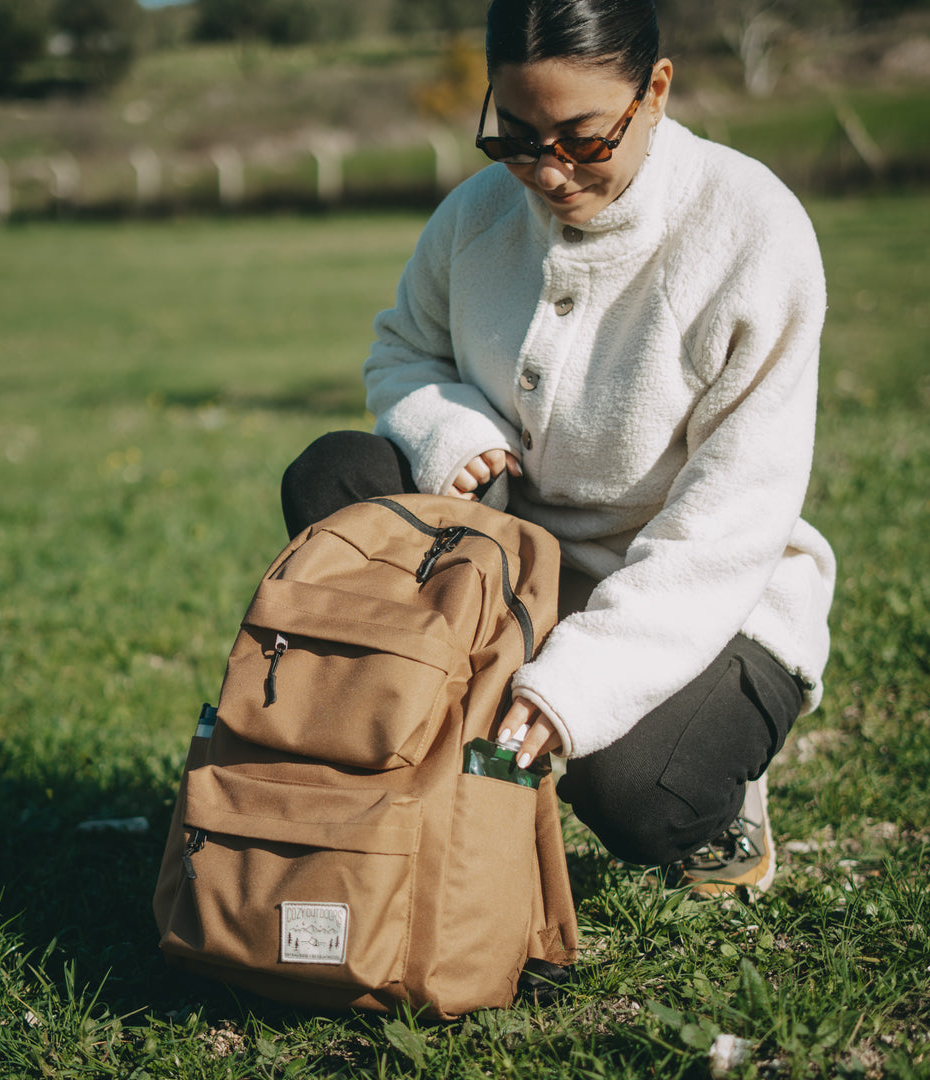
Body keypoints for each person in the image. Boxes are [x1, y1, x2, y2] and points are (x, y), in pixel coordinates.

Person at [281, 0, 834, 895]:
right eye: (517, 136)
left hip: (706, 597)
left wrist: (576, 686)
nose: (547, 172)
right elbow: (403, 353)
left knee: (632, 787)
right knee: (335, 477)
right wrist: (450, 428)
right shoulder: (474, 218)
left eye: (583, 139)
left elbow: (728, 524)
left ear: (654, 90)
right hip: (509, 569)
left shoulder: (753, 232)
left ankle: (722, 800)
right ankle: (405, 760)